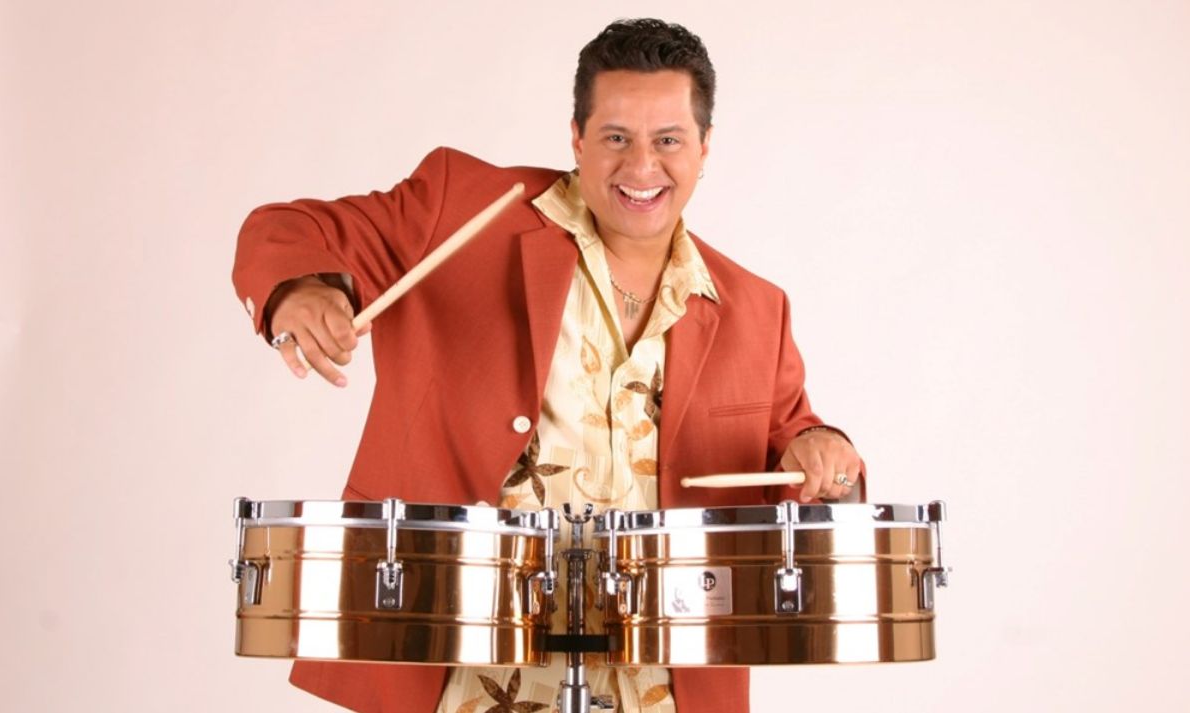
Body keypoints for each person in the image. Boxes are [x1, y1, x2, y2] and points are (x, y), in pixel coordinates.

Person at [233, 18, 864, 713]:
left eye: (668, 140)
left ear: (704, 148)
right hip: (462, 681)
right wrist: (302, 288)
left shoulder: (755, 308)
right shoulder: (464, 209)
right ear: (576, 137)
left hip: (662, 690)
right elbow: (289, 229)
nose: (641, 167)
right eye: (616, 137)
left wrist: (823, 455)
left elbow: (794, 458)